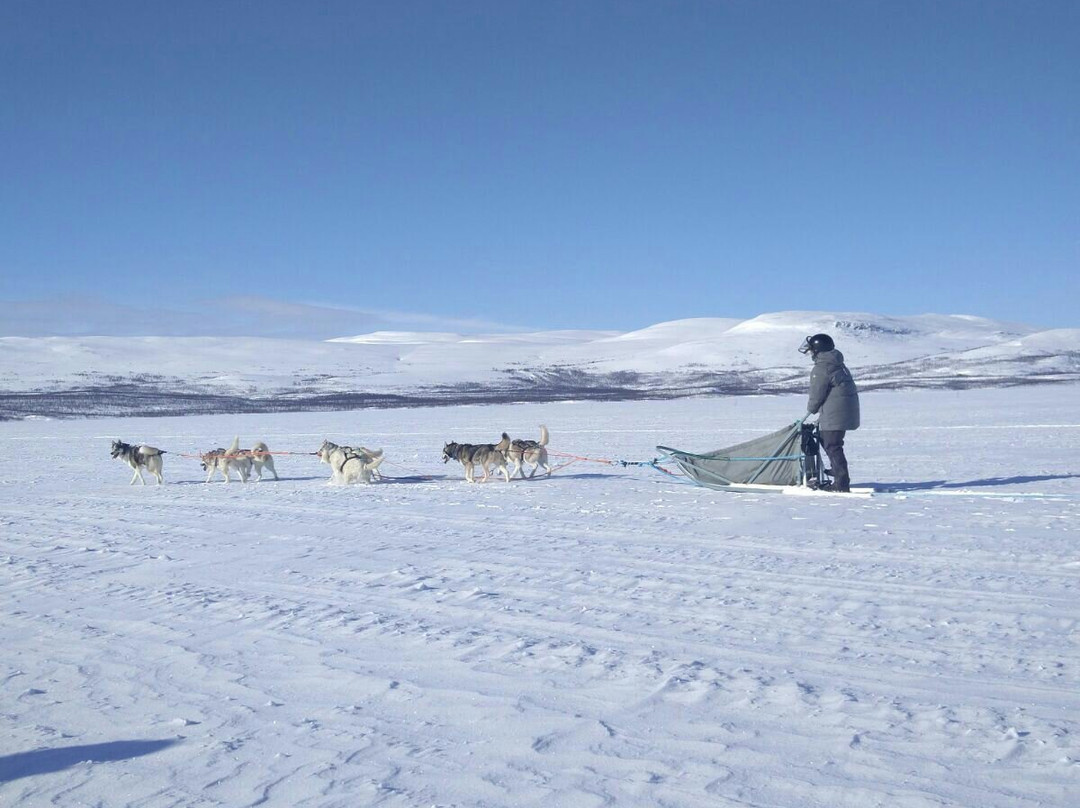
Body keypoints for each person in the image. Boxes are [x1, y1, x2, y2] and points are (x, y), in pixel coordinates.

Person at [799, 333, 860, 492]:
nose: (811, 353)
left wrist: (811, 409)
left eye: (812, 350)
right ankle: (837, 470)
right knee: (825, 439)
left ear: (818, 350)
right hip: (843, 410)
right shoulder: (838, 364)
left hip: (835, 412)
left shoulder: (822, 368)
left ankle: (841, 482)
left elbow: (817, 393)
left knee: (833, 446)